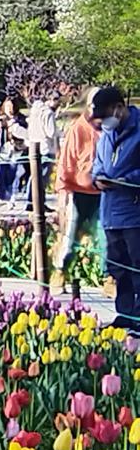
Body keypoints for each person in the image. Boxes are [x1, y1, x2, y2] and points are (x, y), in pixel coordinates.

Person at [90, 85, 140, 330]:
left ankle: (138, 319)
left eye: (106, 115)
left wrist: (125, 181)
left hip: (134, 212)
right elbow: (97, 164)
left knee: (137, 267)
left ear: (119, 108)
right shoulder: (106, 135)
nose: (103, 122)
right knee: (118, 269)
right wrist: (97, 178)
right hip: (110, 212)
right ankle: (125, 315)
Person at [51, 87, 102, 293]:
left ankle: (110, 278)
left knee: (107, 237)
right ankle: (60, 271)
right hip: (78, 191)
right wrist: (62, 189)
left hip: (102, 192)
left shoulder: (108, 128)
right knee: (69, 238)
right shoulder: (78, 128)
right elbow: (66, 161)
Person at [0, 96, 28, 201]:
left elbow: (25, 134)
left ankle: (9, 196)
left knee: (11, 175)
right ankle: (1, 197)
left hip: (14, 151)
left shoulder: (20, 119)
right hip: (0, 151)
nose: (9, 109)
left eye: (11, 106)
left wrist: (15, 127)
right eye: (7, 107)